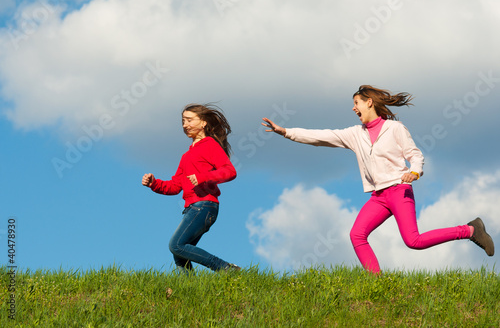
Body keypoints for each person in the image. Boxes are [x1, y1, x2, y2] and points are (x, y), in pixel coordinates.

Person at [262, 85, 495, 274]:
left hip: (399, 191)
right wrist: (285, 132)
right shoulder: (354, 134)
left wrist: (414, 171)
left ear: (369, 102)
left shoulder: (395, 128)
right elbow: (321, 136)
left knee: (413, 241)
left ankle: (470, 230)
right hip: (379, 197)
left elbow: (415, 155)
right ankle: (376, 282)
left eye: (356, 103)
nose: (353, 108)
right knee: (357, 235)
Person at [143, 103, 240, 274]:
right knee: (180, 254)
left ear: (203, 123)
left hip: (204, 205)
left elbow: (230, 171)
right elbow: (175, 186)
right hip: (191, 208)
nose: (184, 125)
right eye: (183, 121)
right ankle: (189, 290)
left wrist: (203, 177)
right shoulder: (186, 156)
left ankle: (226, 269)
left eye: (189, 120)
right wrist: (154, 183)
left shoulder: (210, 144)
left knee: (176, 245)